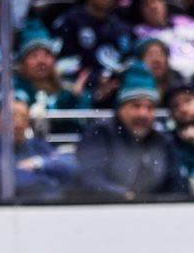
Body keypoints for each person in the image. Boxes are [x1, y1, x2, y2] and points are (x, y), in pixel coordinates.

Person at [75, 62, 187, 200]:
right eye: (136, 106)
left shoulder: (162, 141)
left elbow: (177, 186)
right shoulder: (99, 134)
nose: (143, 114)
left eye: (149, 108)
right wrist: (123, 197)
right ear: (121, 108)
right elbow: (89, 179)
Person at [0, 90, 78, 202]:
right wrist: (53, 180)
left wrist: (38, 163)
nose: (18, 124)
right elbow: (15, 181)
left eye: (24, 117)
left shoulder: (35, 145)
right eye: (11, 117)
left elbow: (72, 165)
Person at [51, 0, 132, 72]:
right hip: (79, 86)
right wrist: (95, 79)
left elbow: (128, 61)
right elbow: (61, 64)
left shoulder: (122, 27)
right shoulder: (70, 22)